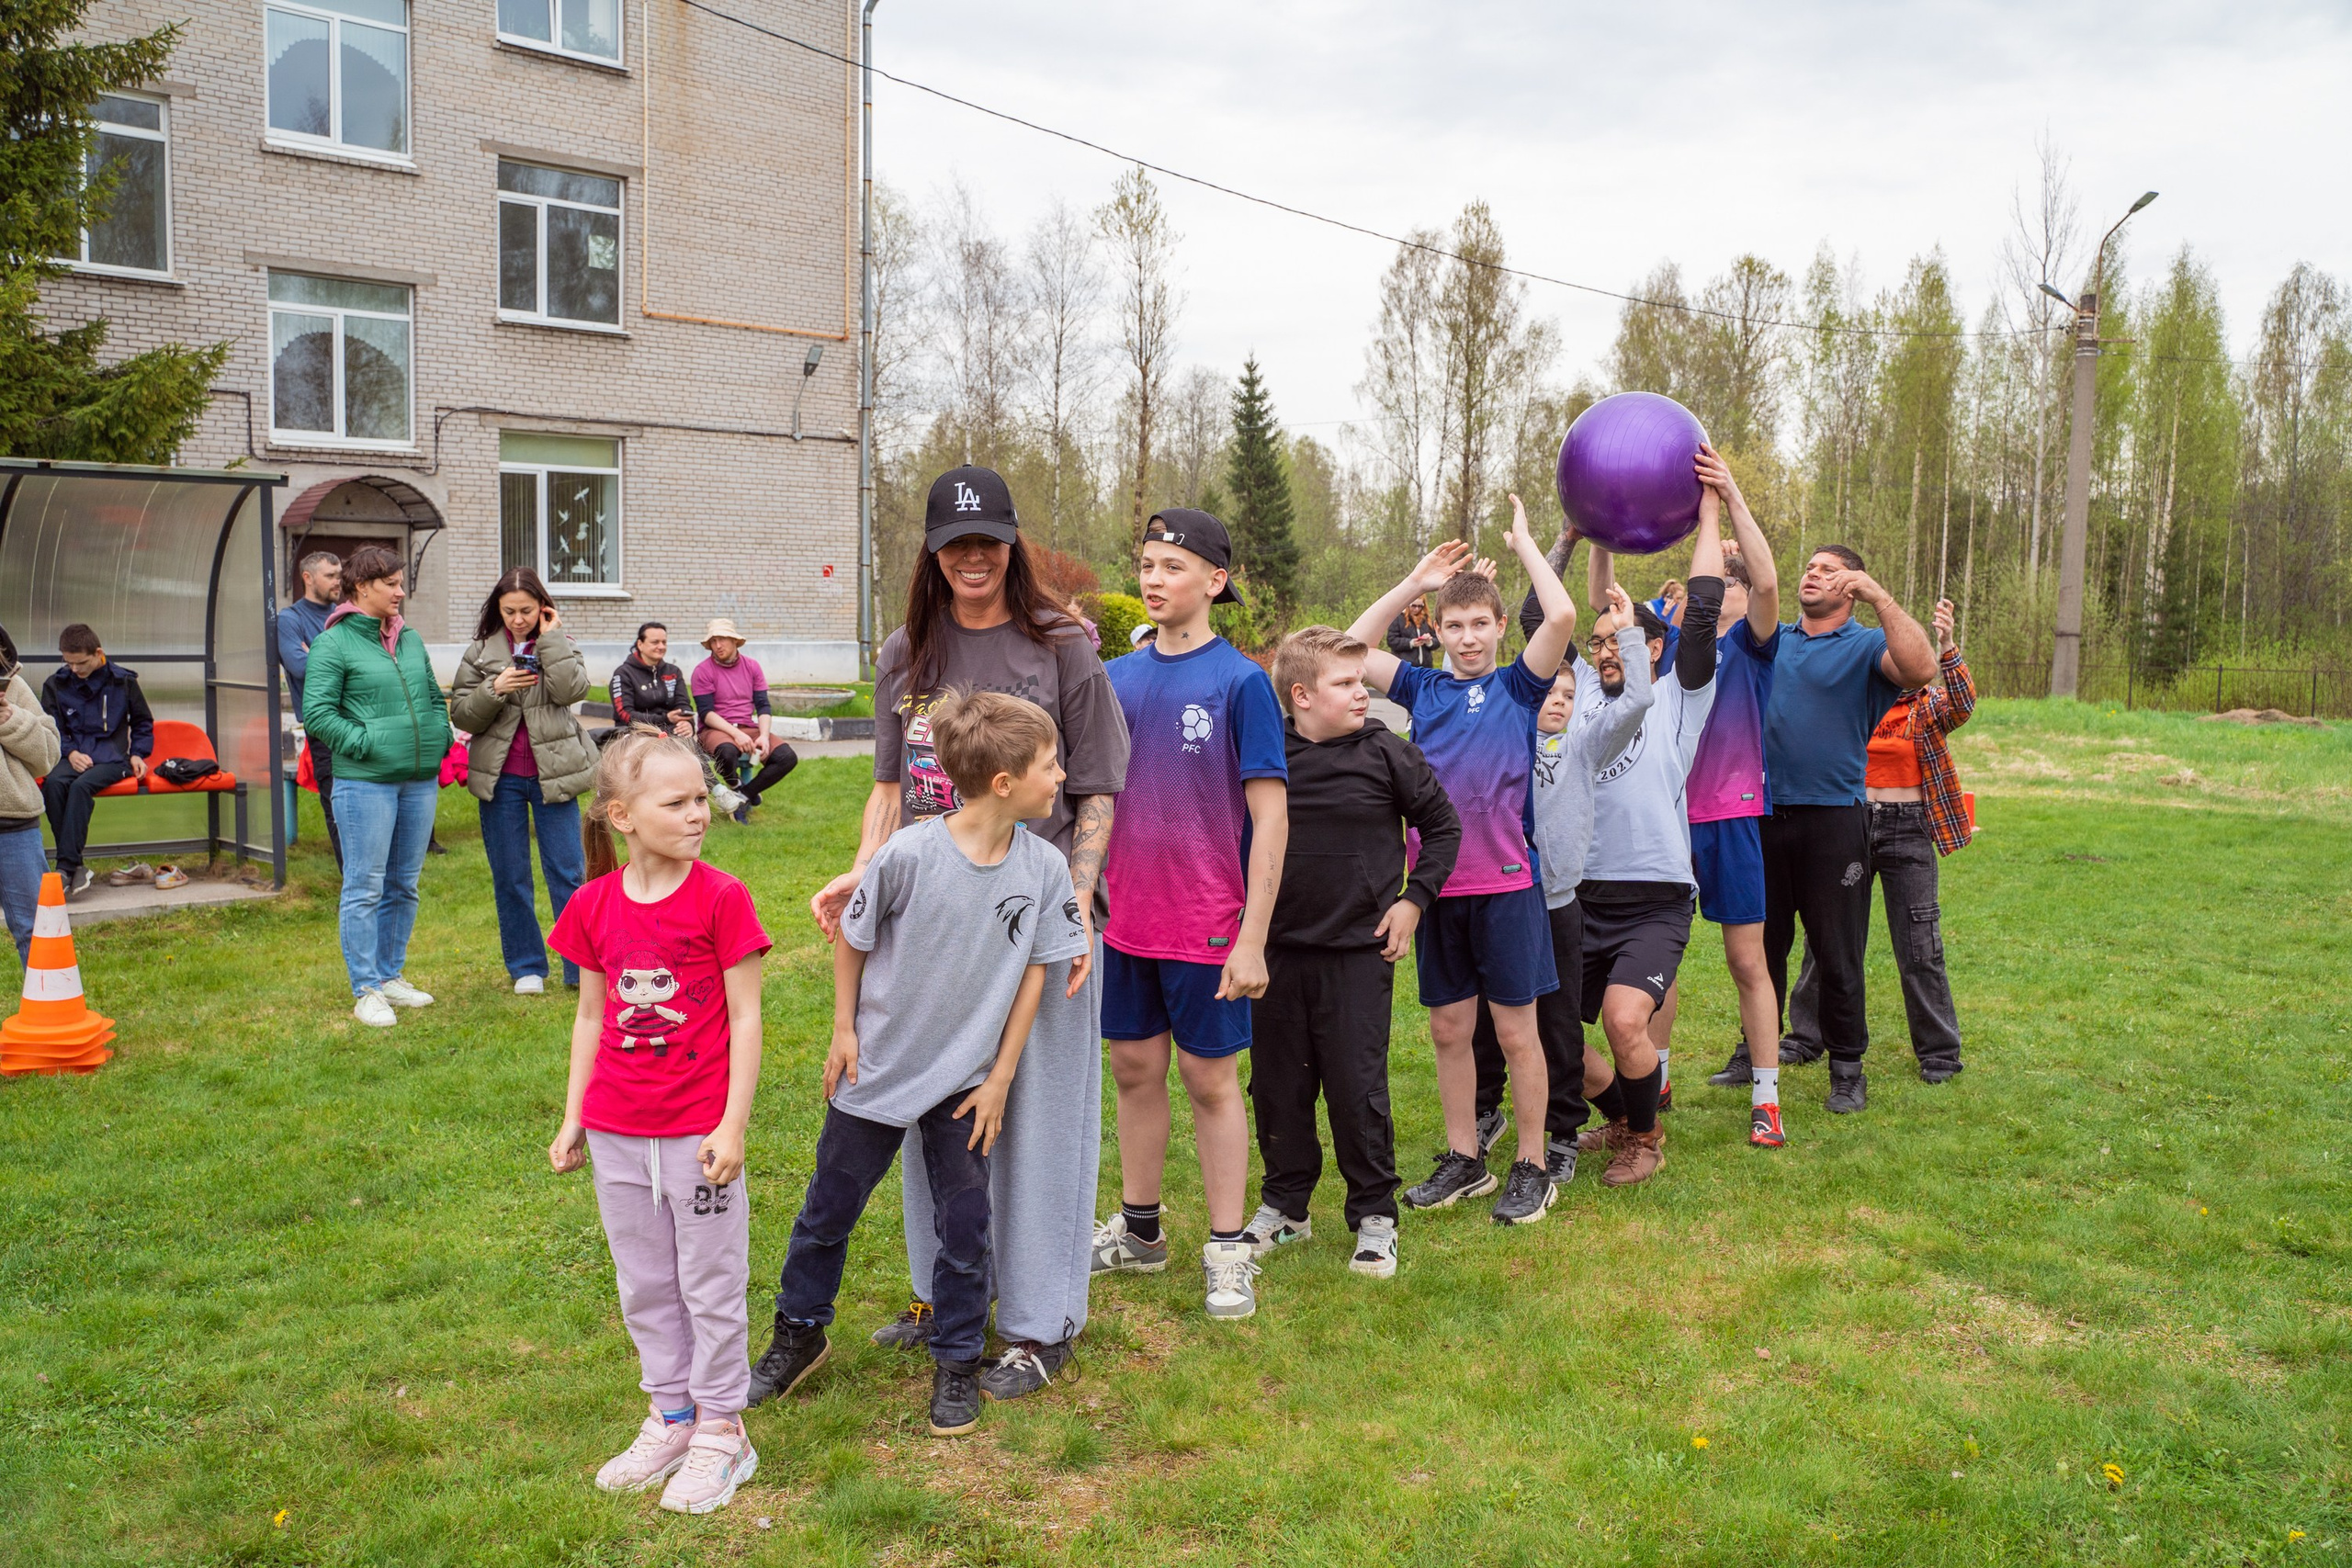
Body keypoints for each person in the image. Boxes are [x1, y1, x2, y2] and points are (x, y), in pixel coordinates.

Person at [807, 465, 1126, 1401]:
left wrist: (1070, 905)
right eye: (957, 543)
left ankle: (1038, 1325)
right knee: (925, 1103)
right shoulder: (908, 652)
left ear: (1012, 545)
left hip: (1037, 922)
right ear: (934, 552)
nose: (974, 558)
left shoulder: (1062, 645)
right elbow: (887, 789)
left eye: (990, 541)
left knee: (1036, 1121)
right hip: (928, 925)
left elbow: (1096, 787)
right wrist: (866, 870)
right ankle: (942, 1298)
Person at [748, 692, 1085, 1437]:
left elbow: (1036, 971)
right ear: (1004, 783)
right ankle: (798, 1333)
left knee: (966, 1225)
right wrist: (844, 1030)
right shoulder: (907, 853)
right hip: (877, 1072)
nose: (1060, 776)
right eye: (1049, 765)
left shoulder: (1046, 866)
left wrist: (999, 1076)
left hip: (966, 1083)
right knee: (825, 1213)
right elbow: (852, 938)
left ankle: (957, 1360)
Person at [546, 731, 772, 1515]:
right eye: (675, 802)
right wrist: (575, 1116)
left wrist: (732, 1124)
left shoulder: (721, 896)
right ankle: (671, 1415)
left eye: (701, 798)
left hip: (696, 1135)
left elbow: (747, 1020)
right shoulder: (591, 904)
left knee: (709, 1282)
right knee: (644, 1282)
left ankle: (722, 1429)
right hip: (615, 1132)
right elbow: (588, 1015)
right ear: (622, 816)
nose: (696, 813)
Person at [1344, 494, 1577, 1224]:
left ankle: (1533, 1165)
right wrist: (1414, 583)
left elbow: (1564, 617)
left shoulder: (1519, 684)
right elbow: (1345, 648)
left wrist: (1526, 545)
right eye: (1455, 625)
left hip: (1508, 886)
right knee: (1449, 1029)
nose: (1469, 637)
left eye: (1481, 624)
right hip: (1437, 888)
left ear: (1501, 627)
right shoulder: (1424, 687)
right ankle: (1464, 1158)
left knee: (1515, 1032)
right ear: (1436, 630)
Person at [1091, 507, 1288, 1320]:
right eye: (1146, 563)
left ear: (1214, 580)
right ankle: (1140, 1233)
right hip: (1125, 920)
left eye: (1172, 565)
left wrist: (1252, 937)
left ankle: (1228, 1246)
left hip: (1208, 923)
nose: (1153, 578)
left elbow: (1271, 817)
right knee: (1134, 1070)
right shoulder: (1113, 677)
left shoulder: (1241, 681)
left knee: (1210, 1081)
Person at [1246, 626, 1460, 1280]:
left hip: (1358, 954)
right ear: (1302, 695)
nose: (1362, 694)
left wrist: (1413, 899)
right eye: (1345, 684)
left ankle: (1374, 1213)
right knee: (1277, 1085)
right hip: (1274, 952)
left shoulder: (1388, 753)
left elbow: (1444, 826)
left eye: (1361, 680)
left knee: (1354, 1085)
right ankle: (1286, 1204)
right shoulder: (1267, 755)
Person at [1592, 450, 1787, 1145]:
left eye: (1732, 579)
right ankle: (1659, 1075)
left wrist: (1730, 495)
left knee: (1745, 960)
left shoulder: (1755, 646)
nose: (1728, 582)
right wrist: (1601, 522)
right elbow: (1604, 606)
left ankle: (1766, 1098)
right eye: (1720, 574)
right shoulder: (1663, 646)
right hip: (1664, 827)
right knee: (1659, 961)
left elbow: (1765, 579)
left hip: (1730, 815)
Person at [1470, 581, 1657, 1186]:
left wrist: (1629, 637)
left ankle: (1563, 1131)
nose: (1559, 697)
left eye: (1570, 691)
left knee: (1557, 1026)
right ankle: (1482, 1111)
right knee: (1486, 1019)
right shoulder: (1505, 736)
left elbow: (1631, 704)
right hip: (1500, 899)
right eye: (1549, 687)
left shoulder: (1584, 746)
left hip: (1557, 907)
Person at [1569, 489, 1727, 1187]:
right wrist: (1588, 530)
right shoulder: (1578, 699)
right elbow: (1547, 614)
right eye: (1598, 642)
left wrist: (1713, 514)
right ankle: (1622, 1117)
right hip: (1581, 892)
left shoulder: (1676, 696)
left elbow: (1703, 605)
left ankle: (1647, 1138)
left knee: (1624, 1020)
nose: (1605, 650)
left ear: (1651, 647)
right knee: (1552, 1037)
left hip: (1657, 896)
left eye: (1619, 639)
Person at [1757, 544, 1941, 1113]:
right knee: (1761, 950)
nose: (1811, 573)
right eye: (1808, 566)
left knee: (1838, 952)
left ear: (1851, 584)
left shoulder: (1865, 646)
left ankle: (1847, 1068)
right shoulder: (1775, 642)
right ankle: (1754, 1054)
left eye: (1827, 570)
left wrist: (1880, 596)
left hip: (1833, 818)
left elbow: (1921, 668)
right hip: (1760, 814)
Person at [1780, 599, 1974, 1082]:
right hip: (1851, 819)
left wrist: (1947, 646)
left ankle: (1939, 1052)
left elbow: (1964, 704)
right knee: (1829, 935)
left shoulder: (1926, 703)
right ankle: (1806, 1036)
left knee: (1919, 940)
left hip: (1908, 826)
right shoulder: (1852, 693)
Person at [299, 545, 451, 1028]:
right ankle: (365, 988)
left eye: (401, 582)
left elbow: (430, 693)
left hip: (418, 779)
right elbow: (318, 714)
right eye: (391, 584)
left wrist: (439, 734)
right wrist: (366, 744)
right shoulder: (334, 643)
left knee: (404, 884)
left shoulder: (410, 639)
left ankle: (389, 976)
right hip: (364, 782)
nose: (400, 592)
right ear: (363, 587)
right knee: (364, 885)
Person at [449, 569, 597, 994]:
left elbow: (572, 691)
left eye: (527, 611)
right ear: (497, 609)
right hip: (501, 780)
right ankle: (527, 967)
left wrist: (550, 639)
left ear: (543, 607)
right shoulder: (480, 652)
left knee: (568, 872)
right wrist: (494, 688)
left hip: (555, 775)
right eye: (509, 611)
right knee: (510, 875)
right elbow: (461, 714)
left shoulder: (560, 644)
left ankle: (579, 969)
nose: (518, 619)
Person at [38, 624, 153, 899]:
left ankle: (65, 867)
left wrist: (138, 753)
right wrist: (70, 752)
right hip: (74, 755)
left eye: (80, 663)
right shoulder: (56, 684)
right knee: (53, 783)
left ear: (98, 653)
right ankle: (74, 866)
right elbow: (51, 727)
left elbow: (142, 721)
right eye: (68, 663)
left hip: (113, 759)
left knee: (80, 787)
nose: (74, 669)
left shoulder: (123, 682)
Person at [691, 620, 797, 822]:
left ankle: (744, 796)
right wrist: (735, 733)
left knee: (787, 757)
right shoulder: (702, 671)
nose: (717, 645)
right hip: (715, 728)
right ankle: (737, 787)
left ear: (735, 641)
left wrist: (764, 736)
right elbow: (706, 713)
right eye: (713, 641)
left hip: (749, 727)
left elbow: (763, 706)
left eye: (722, 639)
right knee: (727, 752)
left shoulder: (752, 667)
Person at [278, 550, 345, 864]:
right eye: (330, 576)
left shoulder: (347, 614)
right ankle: (352, 879)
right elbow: (299, 666)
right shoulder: (290, 620)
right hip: (324, 728)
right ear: (307, 577)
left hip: (358, 720)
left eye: (339, 575)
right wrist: (342, 661)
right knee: (337, 804)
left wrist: (316, 653)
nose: (338, 581)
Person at [0, 625, 62, 965]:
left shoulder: (13, 686)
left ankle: (52, 1015)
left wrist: (11, 720)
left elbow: (49, 756)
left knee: (39, 930)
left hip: (14, 828)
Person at [610, 623, 695, 740]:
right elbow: (626, 714)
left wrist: (688, 723)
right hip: (635, 733)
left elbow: (684, 705)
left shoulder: (674, 672)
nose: (661, 646)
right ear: (640, 644)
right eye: (655, 642)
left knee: (689, 748)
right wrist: (666, 719)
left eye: (664, 642)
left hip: (670, 730)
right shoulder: (623, 674)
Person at [1385, 599, 1439, 669]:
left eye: (1420, 606)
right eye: (1414, 606)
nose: (1417, 609)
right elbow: (1391, 640)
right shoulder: (1398, 619)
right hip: (1404, 666)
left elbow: (1437, 641)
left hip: (1425, 666)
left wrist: (1429, 642)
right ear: (1408, 605)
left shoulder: (1426, 620)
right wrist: (1411, 643)